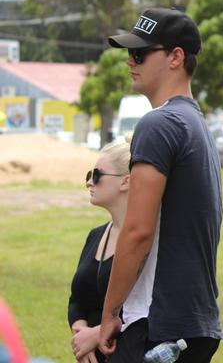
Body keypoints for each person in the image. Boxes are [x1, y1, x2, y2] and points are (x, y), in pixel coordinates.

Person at [98, 8, 223, 362]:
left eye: (139, 53)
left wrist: (110, 313)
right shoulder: (195, 124)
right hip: (194, 321)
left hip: (159, 322)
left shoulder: (159, 123)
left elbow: (137, 231)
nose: (130, 61)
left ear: (175, 57)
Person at [68, 142, 130, 363]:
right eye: (89, 174)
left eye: (97, 175)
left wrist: (98, 334)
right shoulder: (96, 235)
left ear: (126, 181)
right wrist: (81, 334)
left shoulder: (146, 241)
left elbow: (147, 308)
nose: (88, 182)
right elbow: (77, 299)